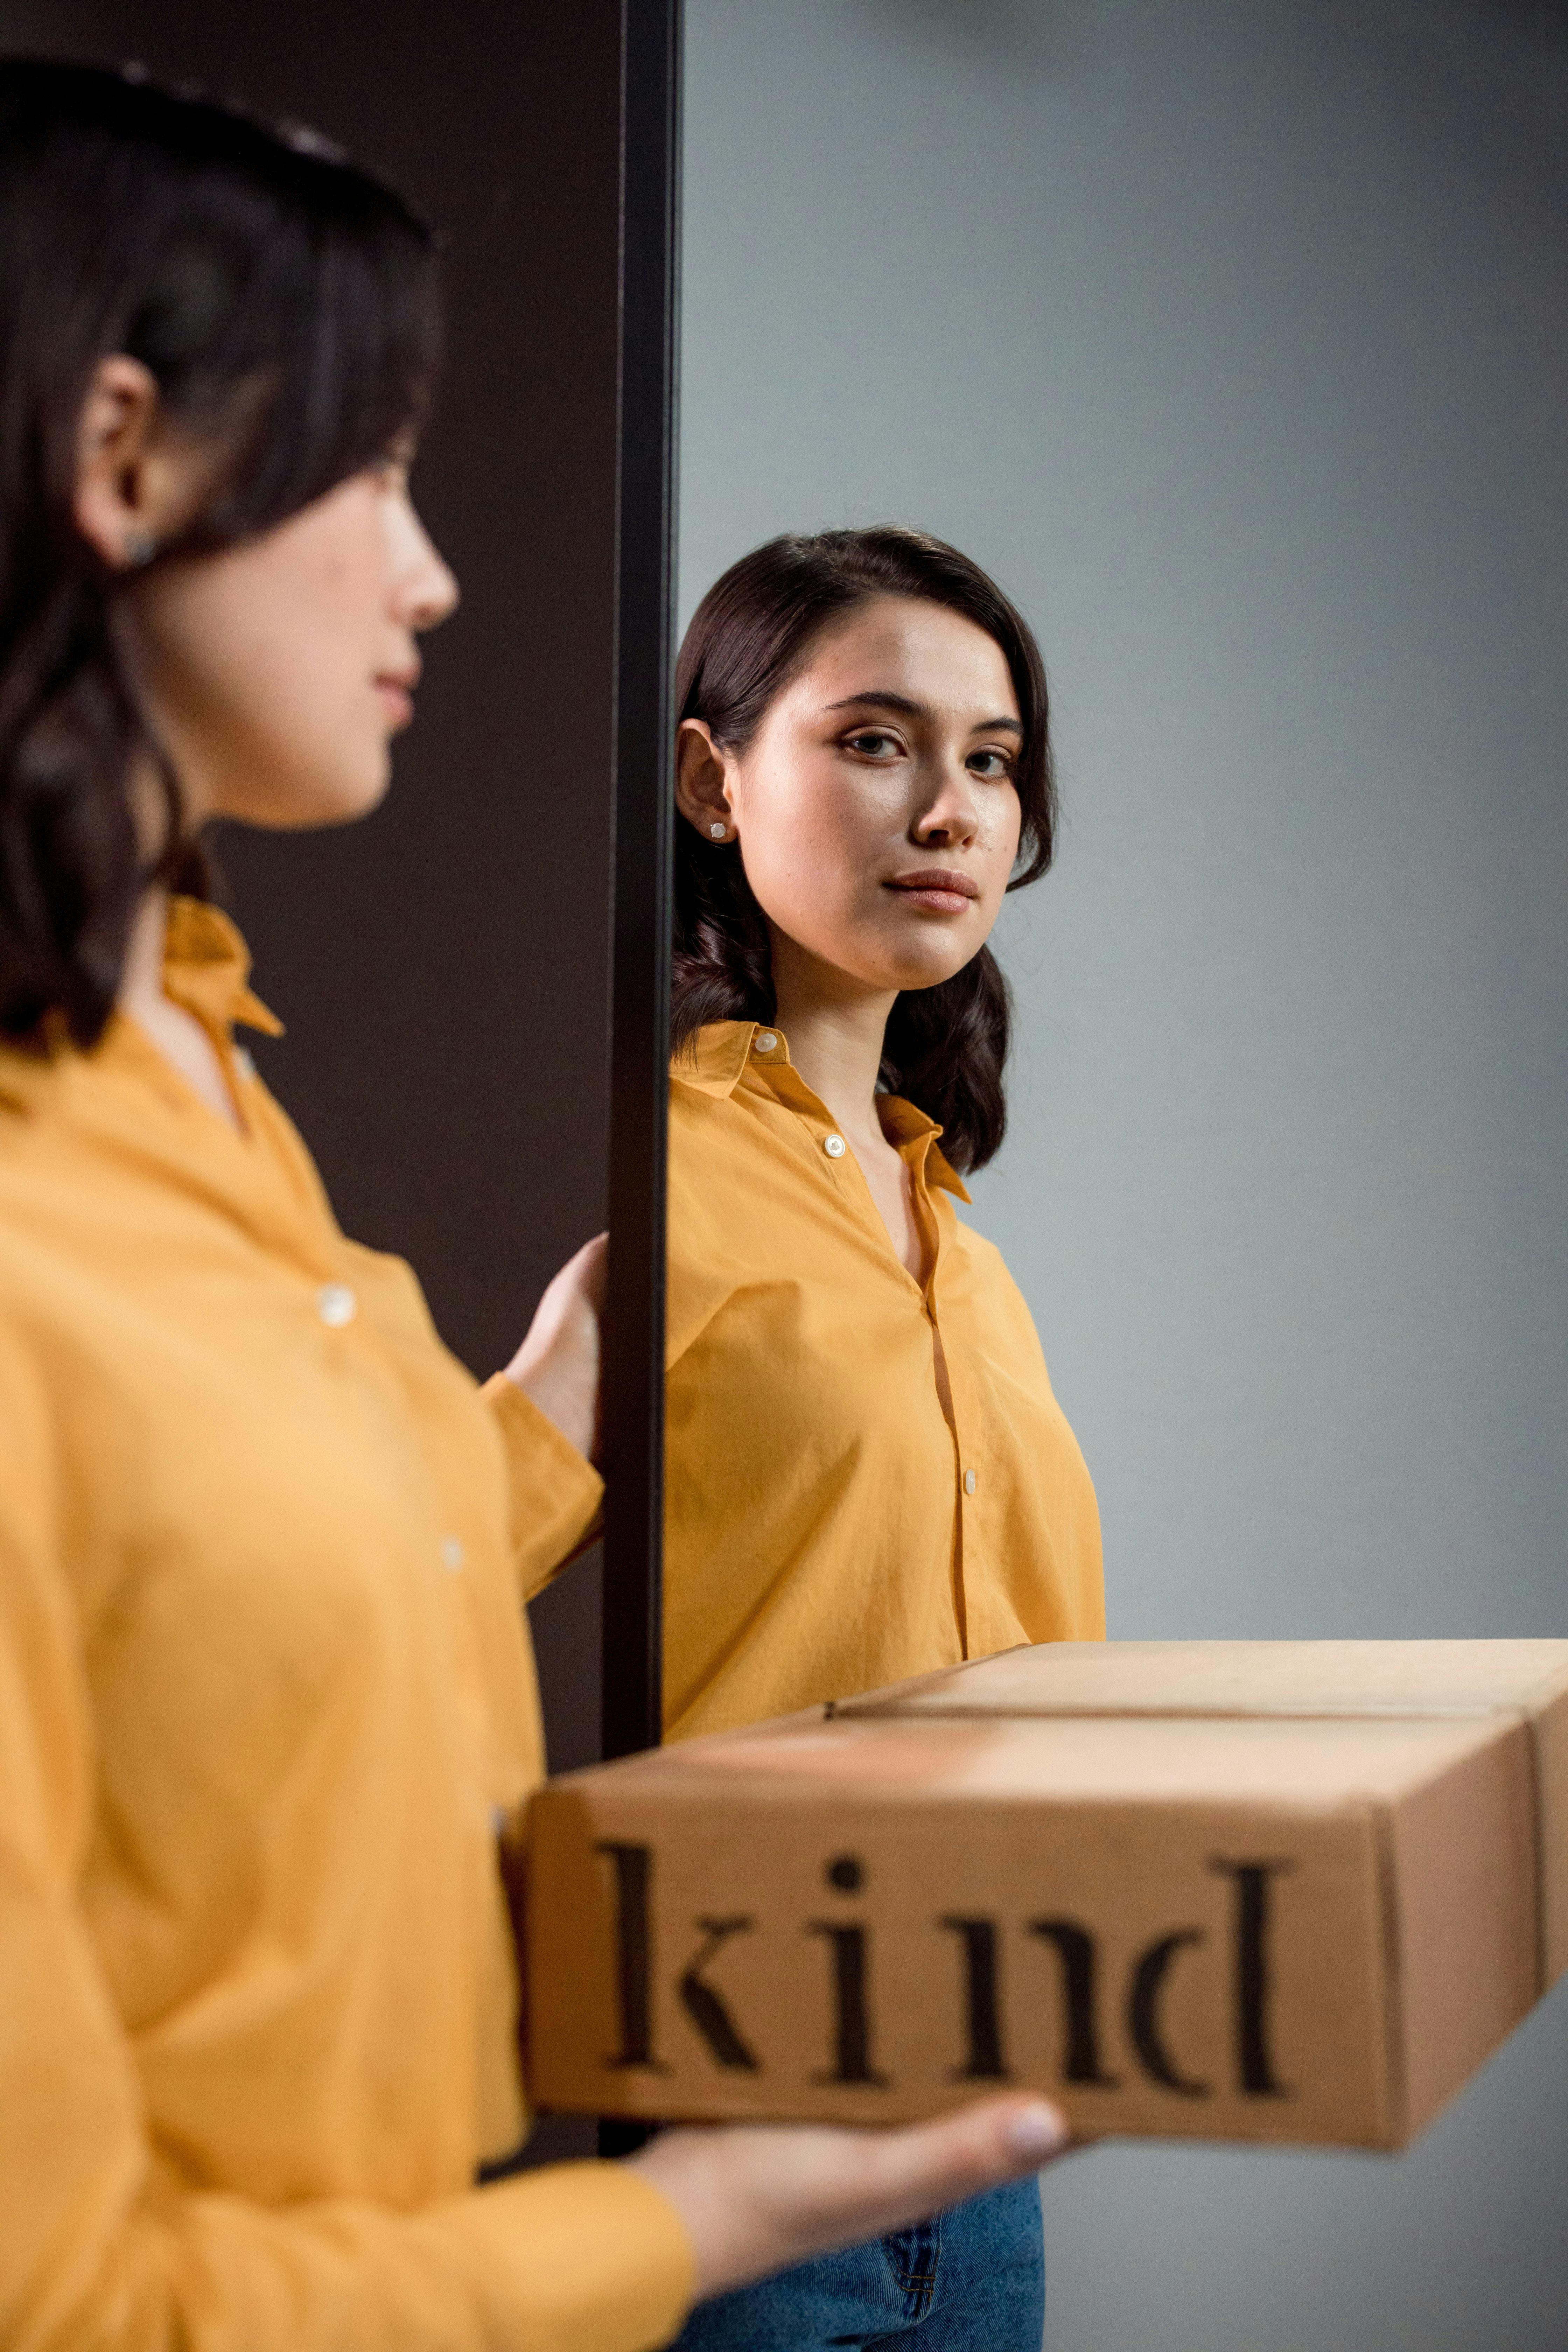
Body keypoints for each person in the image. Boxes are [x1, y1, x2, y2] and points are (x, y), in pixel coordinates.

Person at [0, 63, 1070, 2352]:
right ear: (118, 457)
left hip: (917, 2129)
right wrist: (682, 2215)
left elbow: (293, 1632)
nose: (433, 569)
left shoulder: (222, 1101)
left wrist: (525, 1415)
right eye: (370, 465)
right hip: (676, 2164)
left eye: (993, 761)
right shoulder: (109, 1188)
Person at [659, 527, 1106, 2348]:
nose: (949, 809)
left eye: (991, 760)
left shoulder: (956, 1241)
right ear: (713, 781)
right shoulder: (632, 1173)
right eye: (873, 741)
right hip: (714, 2100)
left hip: (973, 2121)